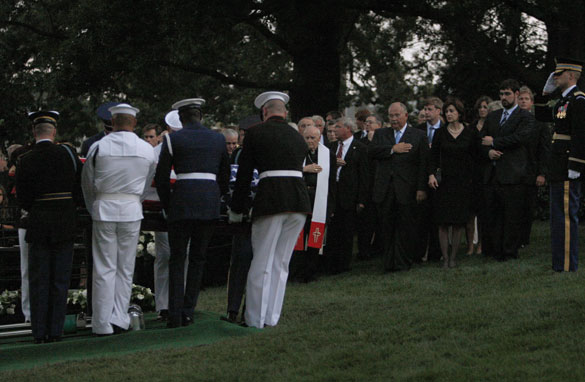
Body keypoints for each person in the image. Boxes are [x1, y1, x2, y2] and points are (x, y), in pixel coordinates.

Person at [229, 91, 311, 329]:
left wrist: (237, 208)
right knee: (281, 263)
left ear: (264, 112)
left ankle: (255, 318)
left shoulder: (255, 133)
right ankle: (272, 317)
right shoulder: (297, 137)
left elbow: (244, 176)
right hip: (298, 202)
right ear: (284, 113)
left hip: (271, 200)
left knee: (262, 261)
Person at [82, 103, 156, 336]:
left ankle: (102, 323)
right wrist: (134, 201)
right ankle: (120, 318)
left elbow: (88, 182)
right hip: (131, 210)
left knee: (104, 267)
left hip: (104, 207)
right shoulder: (146, 149)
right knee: (125, 267)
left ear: (112, 123)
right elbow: (146, 184)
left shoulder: (98, 147)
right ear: (133, 123)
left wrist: (95, 205)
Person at [155, 98, 230, 328]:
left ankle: (175, 313)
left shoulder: (172, 139)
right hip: (207, 201)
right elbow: (225, 175)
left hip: (182, 202)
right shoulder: (218, 138)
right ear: (201, 116)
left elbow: (161, 178)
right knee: (198, 258)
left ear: (181, 118)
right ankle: (189, 311)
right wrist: (216, 198)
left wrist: (169, 205)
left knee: (178, 259)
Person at [16, 110, 83, 343]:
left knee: (39, 278)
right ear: (54, 132)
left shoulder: (25, 159)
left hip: (39, 222)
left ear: (34, 132)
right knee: (60, 278)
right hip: (64, 220)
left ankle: (39, 331)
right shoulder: (68, 154)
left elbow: (23, 199)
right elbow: (79, 187)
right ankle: (56, 330)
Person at [534, 57, 585, 272]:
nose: (555, 77)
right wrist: (544, 95)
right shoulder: (563, 101)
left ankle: (566, 265)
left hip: (567, 164)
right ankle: (559, 264)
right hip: (557, 165)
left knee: (565, 216)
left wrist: (576, 164)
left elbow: (581, 134)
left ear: (572, 75)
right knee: (557, 217)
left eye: (559, 73)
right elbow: (543, 115)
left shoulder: (578, 99)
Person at [369, 102, 429, 272]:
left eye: (397, 115)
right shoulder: (381, 134)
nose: (393, 119)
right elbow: (372, 152)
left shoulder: (418, 135)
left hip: (407, 189)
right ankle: (388, 263)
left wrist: (421, 188)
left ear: (406, 116)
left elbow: (423, 164)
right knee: (386, 227)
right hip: (385, 190)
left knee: (406, 227)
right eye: (391, 116)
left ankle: (403, 263)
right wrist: (393, 149)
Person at [480, 79, 533, 262]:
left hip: (513, 174)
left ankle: (510, 252)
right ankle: (496, 250)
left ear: (517, 94)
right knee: (494, 215)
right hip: (493, 173)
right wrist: (489, 152)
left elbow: (520, 138)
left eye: (507, 94)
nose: (503, 97)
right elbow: (481, 141)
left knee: (512, 216)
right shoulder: (493, 116)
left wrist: (495, 142)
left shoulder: (524, 116)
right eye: (501, 94)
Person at [142, 110, 183, 321]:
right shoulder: (156, 151)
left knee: (181, 254)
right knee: (164, 255)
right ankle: (163, 304)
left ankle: (179, 301)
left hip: (181, 205)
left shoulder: (186, 147)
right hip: (161, 206)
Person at [428, 97, 477, 268]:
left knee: (458, 221)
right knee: (443, 221)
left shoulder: (470, 132)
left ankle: (454, 258)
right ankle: (445, 258)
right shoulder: (440, 133)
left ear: (459, 113)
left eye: (451, 111)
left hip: (463, 182)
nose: (448, 114)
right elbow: (432, 157)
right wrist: (431, 175)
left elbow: (476, 156)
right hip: (444, 182)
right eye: (446, 111)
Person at [290, 126, 336, 282]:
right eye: (307, 138)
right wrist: (304, 169)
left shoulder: (328, 154)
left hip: (320, 200)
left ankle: (311, 272)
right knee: (298, 237)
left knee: (315, 238)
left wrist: (331, 206)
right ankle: (296, 272)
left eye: (313, 138)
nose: (310, 141)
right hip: (301, 199)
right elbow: (289, 172)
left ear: (319, 138)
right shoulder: (296, 152)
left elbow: (332, 183)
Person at [326, 117, 369, 273]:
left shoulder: (360, 148)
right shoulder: (330, 147)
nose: (334, 130)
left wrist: (361, 200)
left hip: (350, 197)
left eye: (337, 127)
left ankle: (344, 264)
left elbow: (364, 176)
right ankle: (330, 262)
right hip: (333, 194)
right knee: (332, 231)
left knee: (346, 231)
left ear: (348, 129)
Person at [518, 86, 550, 248]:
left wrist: (542, 173)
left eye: (526, 99)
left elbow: (544, 151)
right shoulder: (511, 121)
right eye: (521, 99)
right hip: (513, 171)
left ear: (531, 102)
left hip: (531, 171)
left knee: (528, 206)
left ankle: (524, 238)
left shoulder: (540, 124)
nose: (523, 101)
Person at [415, 97, 445, 263]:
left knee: (437, 217)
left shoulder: (446, 129)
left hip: (441, 179)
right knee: (421, 218)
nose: (426, 112)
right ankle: (419, 253)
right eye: (425, 109)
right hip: (422, 177)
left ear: (438, 111)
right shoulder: (418, 130)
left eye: (430, 109)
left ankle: (436, 252)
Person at [468, 95, 493, 256]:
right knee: (471, 211)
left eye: (485, 107)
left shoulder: (492, 127)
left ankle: (482, 244)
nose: (482, 109)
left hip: (487, 170)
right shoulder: (471, 127)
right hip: (472, 171)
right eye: (480, 107)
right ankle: (470, 244)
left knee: (484, 211)